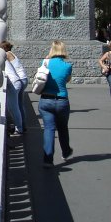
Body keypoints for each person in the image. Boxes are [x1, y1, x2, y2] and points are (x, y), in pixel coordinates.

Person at [38, 40, 73, 168]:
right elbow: (66, 81)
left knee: (49, 129)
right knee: (63, 128)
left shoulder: (45, 63)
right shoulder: (67, 66)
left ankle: (48, 159)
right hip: (62, 100)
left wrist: (47, 58)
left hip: (46, 100)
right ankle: (66, 151)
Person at [1, 40, 28, 136]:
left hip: (18, 80)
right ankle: (22, 125)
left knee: (13, 106)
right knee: (19, 104)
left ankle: (19, 128)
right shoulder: (11, 53)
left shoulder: (6, 54)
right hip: (22, 79)